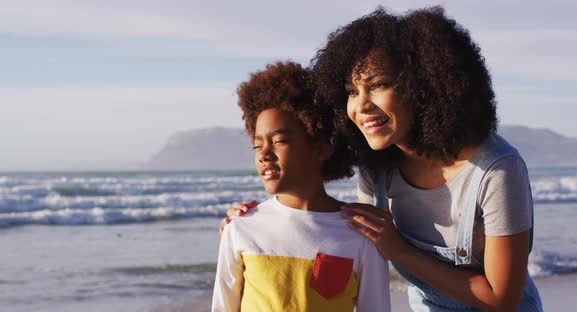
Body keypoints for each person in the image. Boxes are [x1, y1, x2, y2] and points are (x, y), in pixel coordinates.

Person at [222, 7, 544, 311]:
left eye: (377, 85)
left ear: (424, 85)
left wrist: (399, 249)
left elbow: (502, 298)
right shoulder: (377, 171)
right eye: (351, 90)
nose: (360, 106)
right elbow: (344, 232)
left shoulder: (496, 171)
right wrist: (258, 219)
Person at [212, 61, 390, 311]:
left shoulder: (360, 234)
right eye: (257, 144)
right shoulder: (241, 227)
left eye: (279, 141)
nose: (264, 154)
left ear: (322, 148)